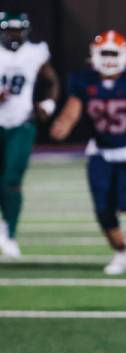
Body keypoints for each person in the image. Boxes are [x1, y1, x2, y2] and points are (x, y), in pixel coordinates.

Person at [50, 30, 126, 274]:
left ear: (124, 55)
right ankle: (122, 253)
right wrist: (64, 123)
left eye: (114, 53)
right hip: (100, 153)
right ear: (94, 54)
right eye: (105, 53)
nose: (109, 58)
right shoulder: (84, 80)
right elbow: (73, 109)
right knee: (103, 209)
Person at [0, 12, 59, 258]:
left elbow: (52, 80)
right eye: (9, 30)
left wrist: (49, 104)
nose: (13, 35)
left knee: (11, 181)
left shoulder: (35, 52)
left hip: (21, 124)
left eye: (17, 30)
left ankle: (9, 232)